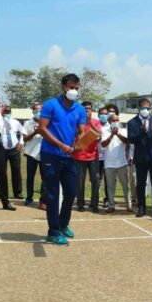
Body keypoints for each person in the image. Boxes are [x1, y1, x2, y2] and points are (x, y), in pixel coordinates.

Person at [37, 73, 87, 245]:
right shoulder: (51, 104)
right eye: (71, 87)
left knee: (72, 191)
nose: (74, 90)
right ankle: (53, 231)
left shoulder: (80, 109)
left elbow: (81, 132)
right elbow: (42, 128)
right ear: (64, 87)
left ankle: (63, 224)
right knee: (53, 194)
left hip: (68, 155)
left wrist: (81, 141)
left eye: (76, 88)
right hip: (50, 154)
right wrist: (60, 144)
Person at [127, 98, 152, 218]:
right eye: (143, 108)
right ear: (139, 109)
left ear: (151, 108)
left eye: (147, 108)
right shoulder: (132, 122)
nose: (145, 110)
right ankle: (141, 208)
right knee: (140, 184)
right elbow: (131, 139)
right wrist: (142, 132)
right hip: (140, 157)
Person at [74, 101, 102, 212]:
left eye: (89, 109)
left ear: (92, 110)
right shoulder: (76, 122)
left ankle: (94, 204)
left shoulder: (96, 122)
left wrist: (90, 122)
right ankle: (80, 203)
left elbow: (99, 135)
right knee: (80, 182)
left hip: (93, 156)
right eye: (85, 109)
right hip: (79, 156)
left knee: (95, 180)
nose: (87, 111)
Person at [101, 112, 132, 213]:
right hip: (109, 163)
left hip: (122, 162)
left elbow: (127, 141)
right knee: (110, 186)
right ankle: (111, 205)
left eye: (117, 120)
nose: (115, 122)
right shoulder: (104, 130)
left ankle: (129, 204)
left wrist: (117, 134)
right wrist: (111, 135)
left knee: (125, 185)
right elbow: (103, 144)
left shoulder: (124, 130)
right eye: (113, 120)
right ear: (109, 122)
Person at [23, 103, 46, 209]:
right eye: (36, 111)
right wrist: (35, 133)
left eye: (40, 110)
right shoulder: (28, 123)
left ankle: (43, 200)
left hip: (44, 154)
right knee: (30, 177)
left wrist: (43, 132)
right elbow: (25, 139)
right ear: (33, 112)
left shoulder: (47, 122)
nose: (39, 112)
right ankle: (29, 197)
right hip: (31, 154)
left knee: (45, 178)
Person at [2, 105, 25, 200]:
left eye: (8, 111)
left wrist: (21, 142)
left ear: (11, 112)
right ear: (2, 112)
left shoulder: (15, 122)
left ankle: (18, 192)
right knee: (2, 172)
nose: (7, 113)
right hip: (2, 149)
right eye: (5, 111)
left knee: (16, 171)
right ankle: (4, 193)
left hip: (14, 149)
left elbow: (23, 132)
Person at [97, 106, 110, 208]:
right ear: (98, 115)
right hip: (97, 157)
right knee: (96, 179)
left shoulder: (111, 126)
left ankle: (107, 199)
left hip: (108, 157)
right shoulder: (95, 126)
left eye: (106, 114)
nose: (104, 116)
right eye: (102, 114)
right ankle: (95, 198)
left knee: (108, 180)